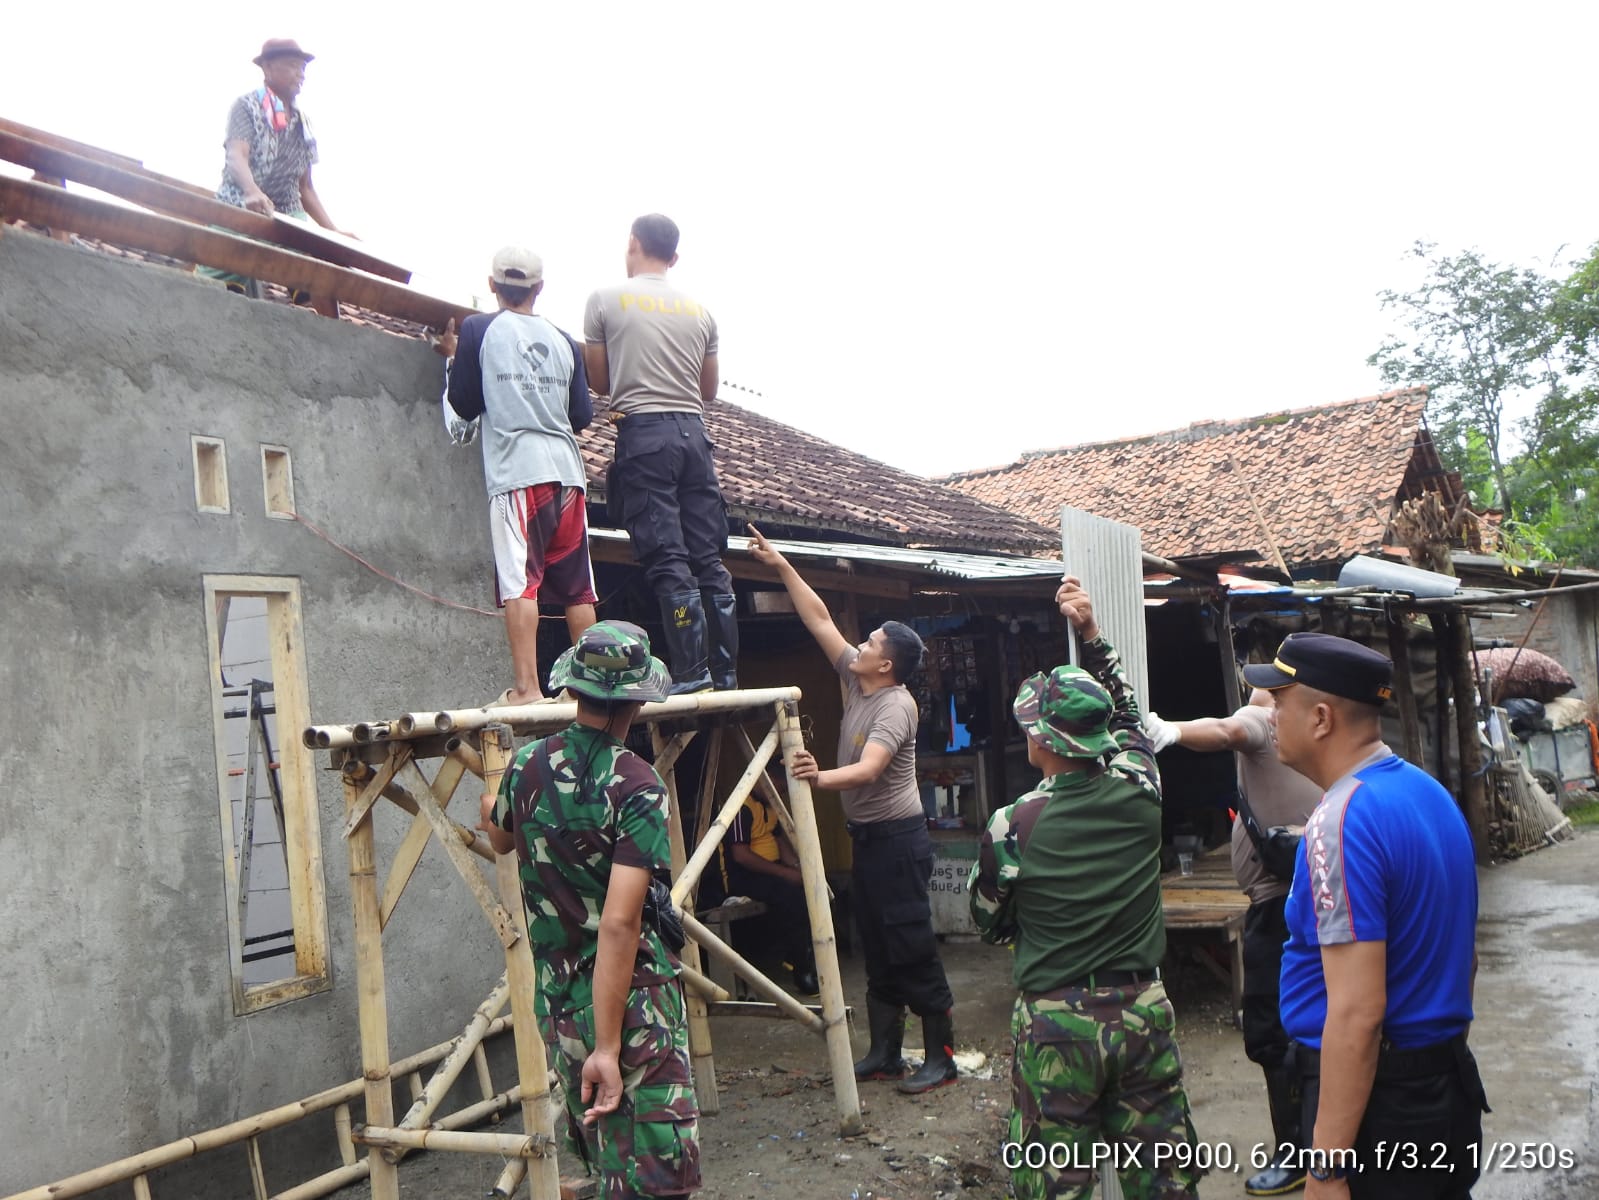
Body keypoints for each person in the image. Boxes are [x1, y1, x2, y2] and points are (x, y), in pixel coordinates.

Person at [971, 577, 1200, 1200]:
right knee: (1163, 1181)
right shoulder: (1140, 787)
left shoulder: (1012, 824)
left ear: (1043, 740)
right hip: (1143, 1012)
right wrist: (1092, 633)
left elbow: (988, 922)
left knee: (1053, 1183)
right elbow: (1129, 714)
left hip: (1055, 1025)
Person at [1243, 632, 1487, 1199]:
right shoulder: (1431, 796)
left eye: (1279, 701)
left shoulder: (1339, 820)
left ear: (1321, 718)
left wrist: (1326, 1169)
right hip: (1441, 1087)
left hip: (1380, 1109)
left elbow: (1357, 1013)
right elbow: (1463, 960)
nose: (1270, 715)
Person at [481, 621, 700, 1198]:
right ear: (636, 697)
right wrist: (609, 1047)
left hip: (560, 1006)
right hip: (631, 1010)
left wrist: (494, 799)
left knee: (608, 1161)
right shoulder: (636, 785)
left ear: (573, 688)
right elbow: (622, 923)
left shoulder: (525, 766)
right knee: (655, 1178)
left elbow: (500, 837)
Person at [746, 525, 957, 1094]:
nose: (858, 645)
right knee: (878, 945)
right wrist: (781, 563)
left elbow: (867, 771)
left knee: (911, 943)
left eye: (869, 645)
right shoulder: (857, 680)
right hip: (869, 839)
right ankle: (886, 1052)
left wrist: (818, 777)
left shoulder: (895, 706)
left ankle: (942, 1058)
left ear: (885, 666)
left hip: (898, 841)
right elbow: (818, 618)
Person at [1144, 691, 1323, 1196]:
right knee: (1312, 1023)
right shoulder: (1307, 737)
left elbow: (1226, 729)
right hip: (1304, 899)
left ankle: (1297, 1154)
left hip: (1281, 908)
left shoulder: (1265, 724)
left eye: (1266, 689)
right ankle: (1324, 1145)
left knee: (1273, 1030)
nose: (1254, 695)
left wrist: (1173, 731)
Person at [434, 246, 597, 705]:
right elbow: (581, 415)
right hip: (567, 474)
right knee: (575, 589)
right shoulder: (564, 341)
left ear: (492, 286)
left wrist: (453, 360)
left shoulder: (479, 330)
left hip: (517, 474)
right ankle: (583, 690)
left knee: (520, 582)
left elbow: (464, 404)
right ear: (538, 289)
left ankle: (527, 689)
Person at [583, 215, 735, 695]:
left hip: (644, 435)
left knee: (668, 555)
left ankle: (692, 672)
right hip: (694, 434)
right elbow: (707, 391)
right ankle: (726, 673)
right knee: (707, 554)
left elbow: (600, 383)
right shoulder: (700, 312)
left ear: (632, 244)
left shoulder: (605, 300)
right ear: (674, 257)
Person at [207, 39, 349, 297]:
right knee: (216, 274)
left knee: (313, 270)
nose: (301, 74)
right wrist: (251, 191)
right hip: (240, 205)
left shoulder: (303, 123)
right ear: (268, 68)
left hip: (286, 214)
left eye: (303, 69)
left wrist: (332, 232)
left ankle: (305, 305)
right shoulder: (247, 106)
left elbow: (305, 188)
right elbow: (236, 154)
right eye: (293, 66)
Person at [717, 784, 818, 995]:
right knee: (791, 897)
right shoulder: (740, 807)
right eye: (777, 785)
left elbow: (780, 842)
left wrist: (799, 871)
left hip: (771, 872)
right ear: (765, 780)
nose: (779, 792)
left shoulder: (771, 805)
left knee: (817, 890)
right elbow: (740, 856)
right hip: (743, 877)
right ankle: (801, 969)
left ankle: (802, 957)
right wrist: (784, 873)